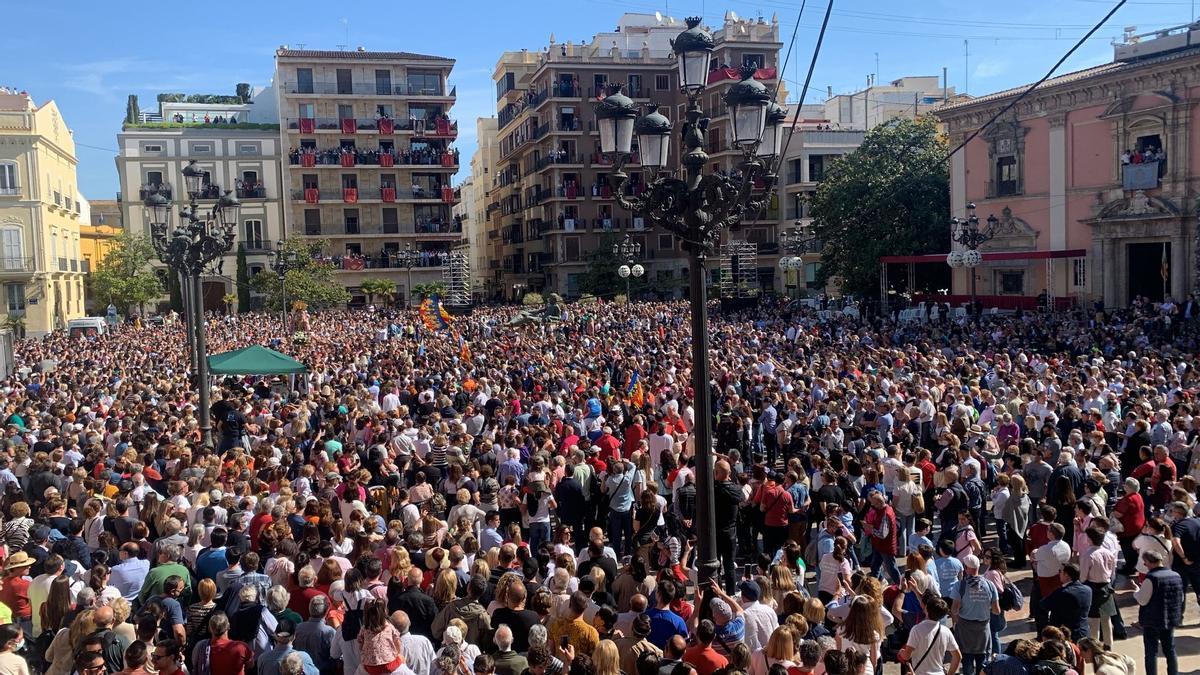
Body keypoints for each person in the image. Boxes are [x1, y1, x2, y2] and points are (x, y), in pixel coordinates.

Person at [1132, 550, 1183, 675]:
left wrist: (1136, 591)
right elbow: (1180, 598)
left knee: (1151, 653)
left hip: (1152, 620)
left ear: (1150, 562)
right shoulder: (1176, 575)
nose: (1145, 565)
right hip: (1170, 619)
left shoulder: (1151, 578)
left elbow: (1143, 600)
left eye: (1145, 563)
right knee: (1170, 650)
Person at [950, 555, 998, 675]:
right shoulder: (990, 585)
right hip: (983, 630)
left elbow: (954, 609)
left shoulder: (959, 586)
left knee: (966, 660)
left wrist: (956, 622)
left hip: (964, 629)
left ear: (966, 568)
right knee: (983, 662)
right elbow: (996, 610)